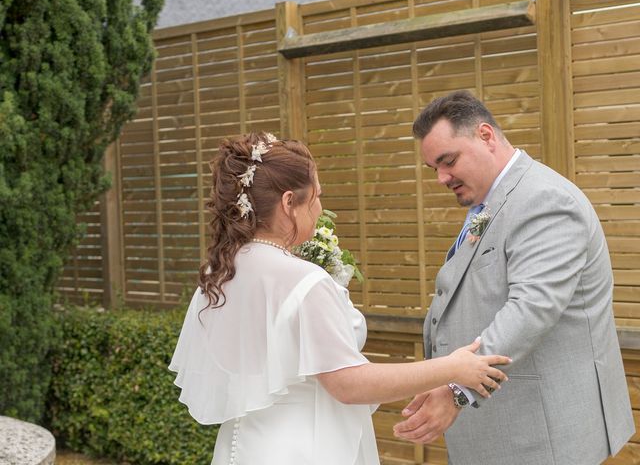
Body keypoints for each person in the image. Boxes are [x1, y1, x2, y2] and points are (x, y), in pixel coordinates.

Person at [169, 132, 510, 465]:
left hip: (242, 448)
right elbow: (348, 384)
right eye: (316, 197)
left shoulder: (219, 273)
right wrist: (452, 367)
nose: (319, 210)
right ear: (289, 203)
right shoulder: (302, 280)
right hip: (306, 449)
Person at [393, 90, 635, 464]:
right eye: (434, 169)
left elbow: (531, 309)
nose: (441, 178)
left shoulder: (545, 200)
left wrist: (457, 390)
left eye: (448, 161)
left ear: (486, 136)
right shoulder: (493, 199)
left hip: (541, 432)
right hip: (503, 425)